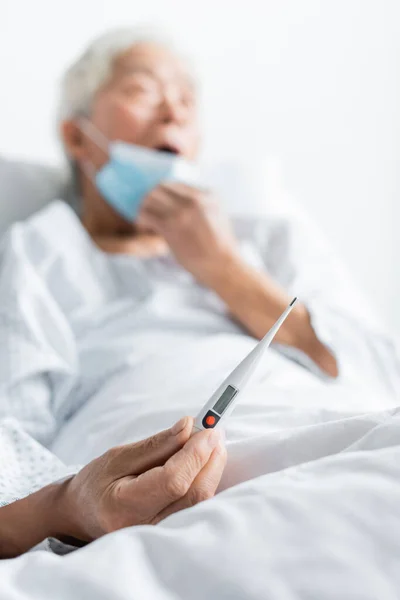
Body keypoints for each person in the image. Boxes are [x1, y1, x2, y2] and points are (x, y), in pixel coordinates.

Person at [0, 27, 398, 558]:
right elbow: (12, 437)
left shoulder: (266, 237)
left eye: (187, 101)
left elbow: (381, 374)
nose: (173, 115)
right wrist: (72, 503)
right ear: (77, 138)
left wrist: (224, 267)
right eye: (143, 91)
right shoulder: (41, 249)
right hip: (165, 479)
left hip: (346, 430)